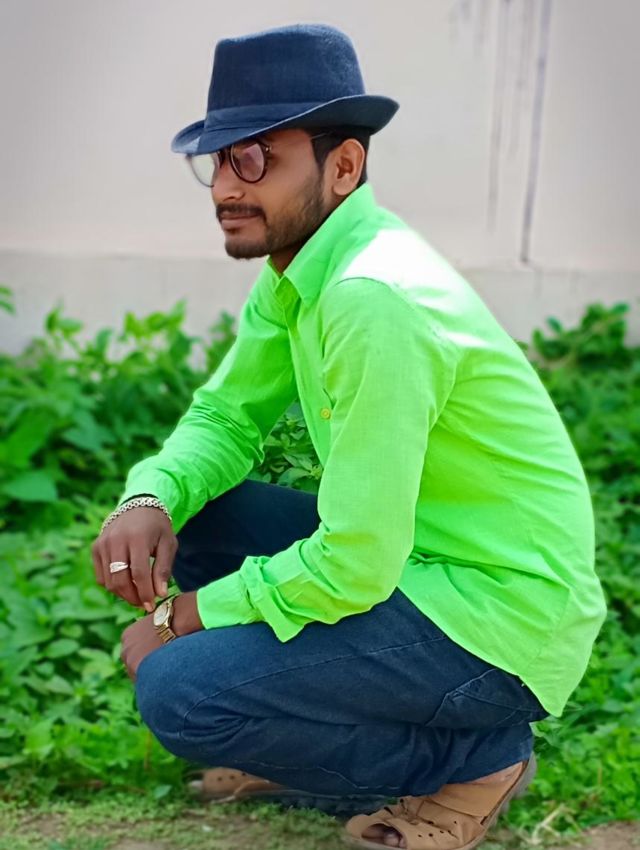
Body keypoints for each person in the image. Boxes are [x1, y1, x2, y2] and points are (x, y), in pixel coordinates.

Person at [91, 23, 607, 850]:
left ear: (343, 166)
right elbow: (228, 416)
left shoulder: (374, 297)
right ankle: (306, 735)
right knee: (199, 514)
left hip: (496, 616)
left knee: (181, 695)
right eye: (217, 161)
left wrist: (186, 617)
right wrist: (148, 496)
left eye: (255, 158)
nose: (225, 186)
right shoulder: (301, 269)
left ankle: (476, 759)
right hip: (417, 565)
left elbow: (358, 560)